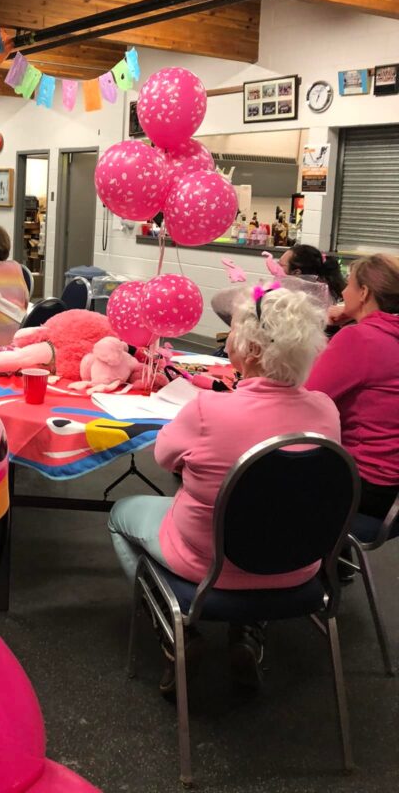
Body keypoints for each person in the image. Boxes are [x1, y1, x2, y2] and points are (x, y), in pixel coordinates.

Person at [109, 286, 341, 695]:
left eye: (232, 330)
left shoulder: (207, 409)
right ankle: (248, 632)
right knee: (268, 514)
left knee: (121, 514)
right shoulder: (326, 409)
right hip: (298, 566)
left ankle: (176, 630)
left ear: (250, 349)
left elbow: (164, 458)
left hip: (207, 564)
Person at [306, 254, 399, 520]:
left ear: (364, 292)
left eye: (349, 284)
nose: (344, 291)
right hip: (392, 489)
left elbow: (307, 397)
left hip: (365, 483)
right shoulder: (385, 333)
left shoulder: (360, 338)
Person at [211, 243, 340, 327]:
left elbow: (219, 300)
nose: (275, 268)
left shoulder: (282, 296)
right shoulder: (325, 292)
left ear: (296, 272)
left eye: (281, 265)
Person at [278, 244, 346, 303]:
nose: (276, 266)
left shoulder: (308, 299)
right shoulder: (282, 286)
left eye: (281, 265)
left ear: (296, 272)